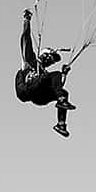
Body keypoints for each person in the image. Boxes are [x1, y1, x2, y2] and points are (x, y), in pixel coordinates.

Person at [15, 9, 76, 137]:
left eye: (52, 61)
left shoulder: (45, 73)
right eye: (49, 58)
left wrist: (64, 74)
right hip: (26, 89)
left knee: (63, 92)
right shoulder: (30, 60)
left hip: (38, 96)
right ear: (43, 55)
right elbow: (26, 41)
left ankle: (61, 124)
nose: (50, 61)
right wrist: (26, 21)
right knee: (54, 77)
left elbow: (58, 86)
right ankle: (60, 100)